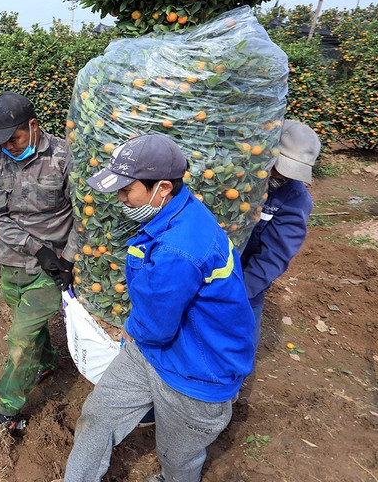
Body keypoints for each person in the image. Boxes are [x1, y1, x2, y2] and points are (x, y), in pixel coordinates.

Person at [64, 133, 255, 482]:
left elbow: (156, 326)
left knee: (178, 457)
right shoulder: (176, 210)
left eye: (127, 190)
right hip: (152, 350)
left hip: (196, 370)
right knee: (98, 416)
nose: (120, 199)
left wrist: (131, 328)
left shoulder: (177, 249)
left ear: (162, 187)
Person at [0, 92, 78, 433]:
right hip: (13, 261)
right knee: (29, 327)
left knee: (21, 336)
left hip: (52, 266)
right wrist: (35, 248)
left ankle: (8, 409)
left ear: (33, 126)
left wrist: (68, 257)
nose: (9, 147)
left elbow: (85, 214)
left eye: (15, 138)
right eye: (3, 141)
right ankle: (46, 362)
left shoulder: (64, 157)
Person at [242, 119, 321, 351]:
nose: (280, 176)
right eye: (278, 166)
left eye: (289, 172)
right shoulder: (235, 177)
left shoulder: (295, 199)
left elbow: (274, 255)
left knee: (242, 339)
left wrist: (240, 291)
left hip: (248, 277)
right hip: (207, 268)